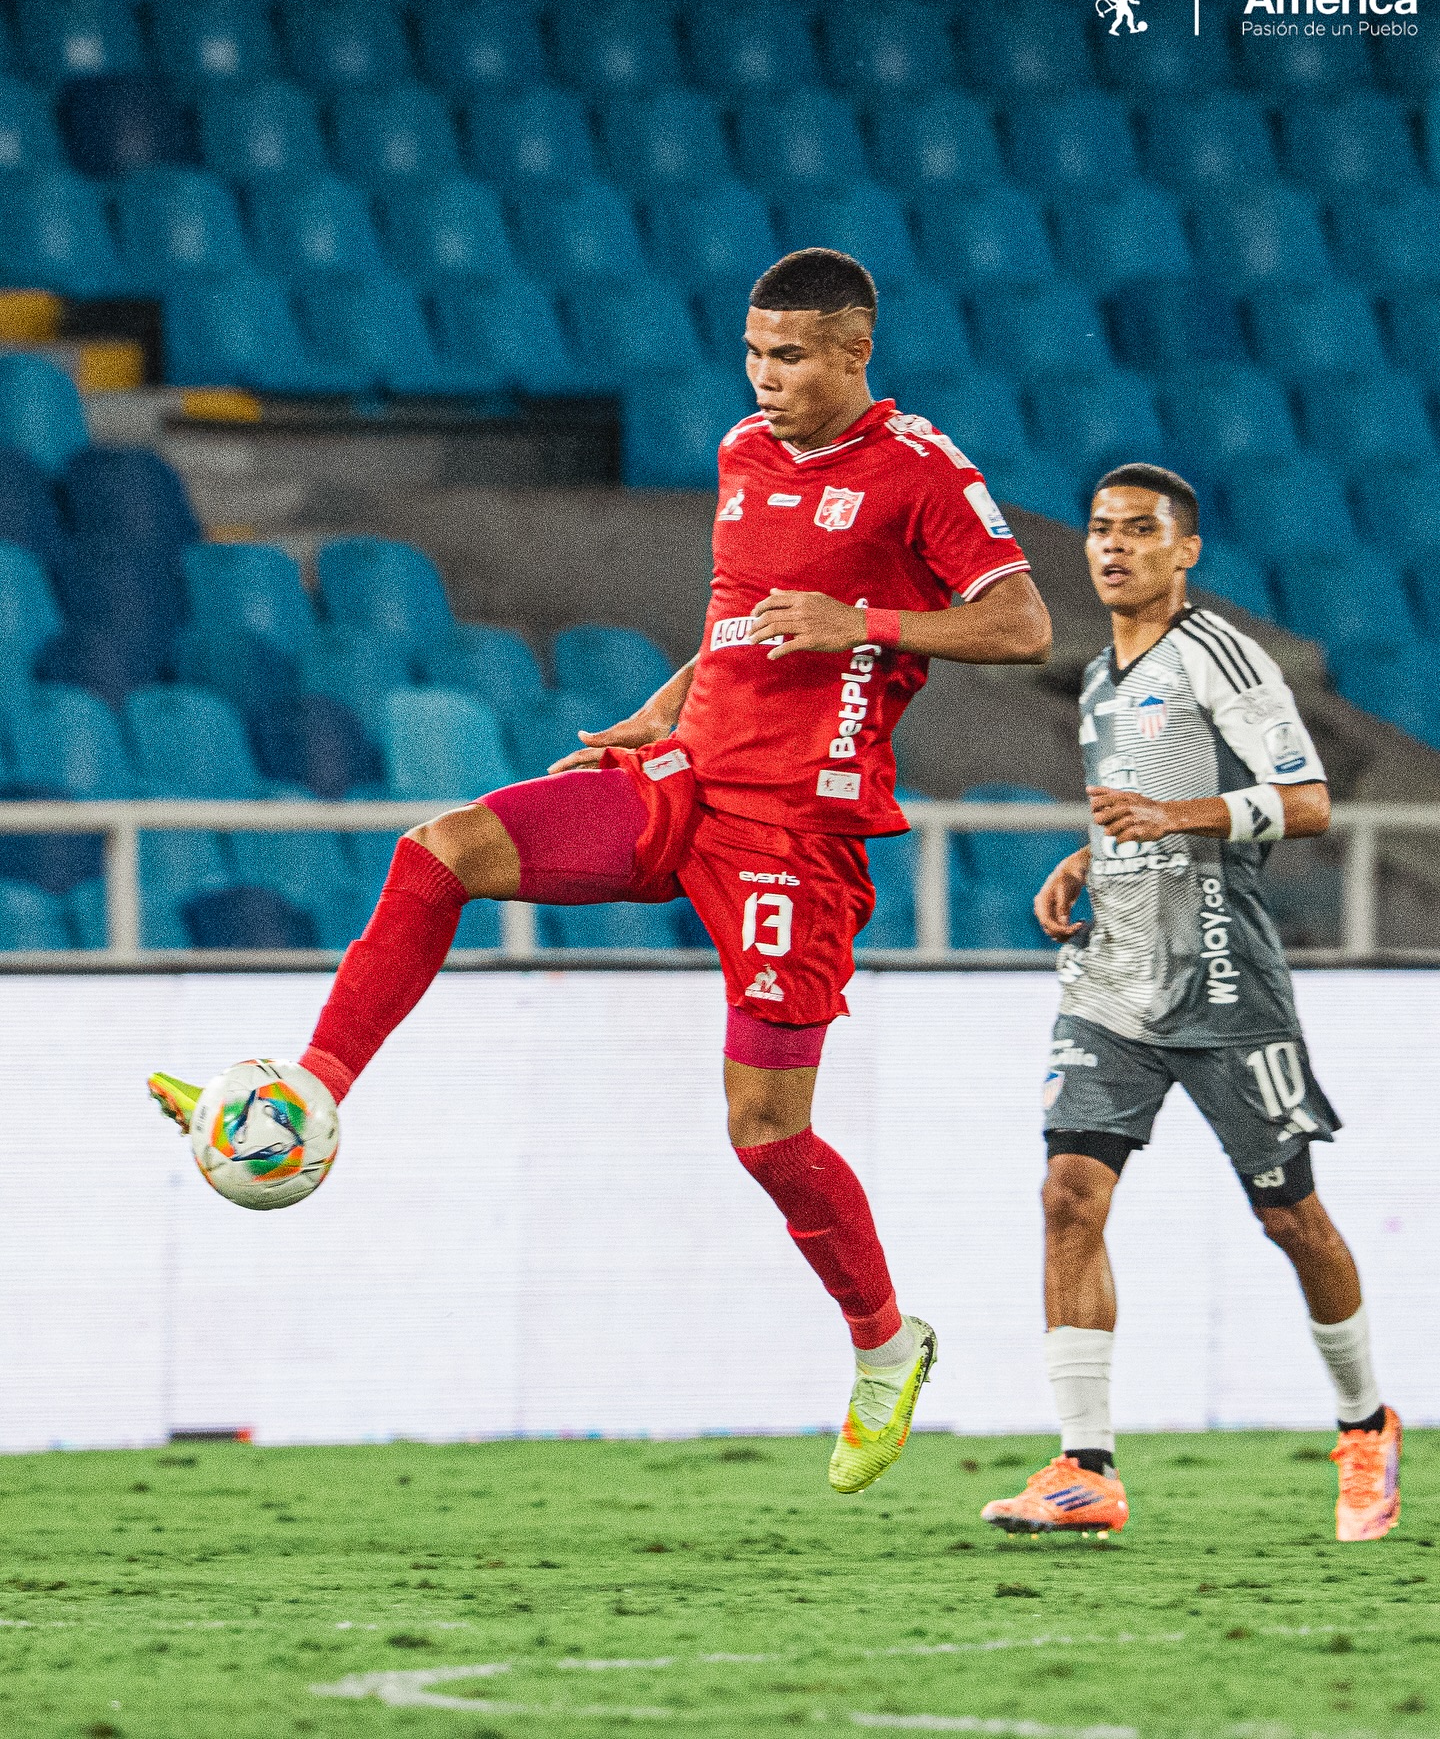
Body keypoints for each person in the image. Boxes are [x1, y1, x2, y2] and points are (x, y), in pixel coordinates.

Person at [149, 249, 1052, 1493]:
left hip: (799, 831)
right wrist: (661, 704)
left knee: (764, 1129)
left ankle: (887, 1344)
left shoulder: (922, 475)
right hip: (686, 779)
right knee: (442, 850)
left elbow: (1023, 623)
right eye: (753, 352)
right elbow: (738, 619)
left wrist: (872, 625)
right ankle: (313, 1088)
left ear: (857, 353)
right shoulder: (744, 454)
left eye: (790, 357)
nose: (765, 378)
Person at [980, 463, 1400, 1543]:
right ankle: (1085, 1468)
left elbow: (1306, 803)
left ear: (1186, 550)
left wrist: (1178, 819)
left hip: (1221, 978)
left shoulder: (1218, 654)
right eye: (1100, 530)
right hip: (1115, 973)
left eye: (1138, 531)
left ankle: (1365, 1425)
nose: (1112, 547)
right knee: (1068, 1192)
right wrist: (1090, 854)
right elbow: (1141, 806)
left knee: (1287, 1214)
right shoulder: (1099, 681)